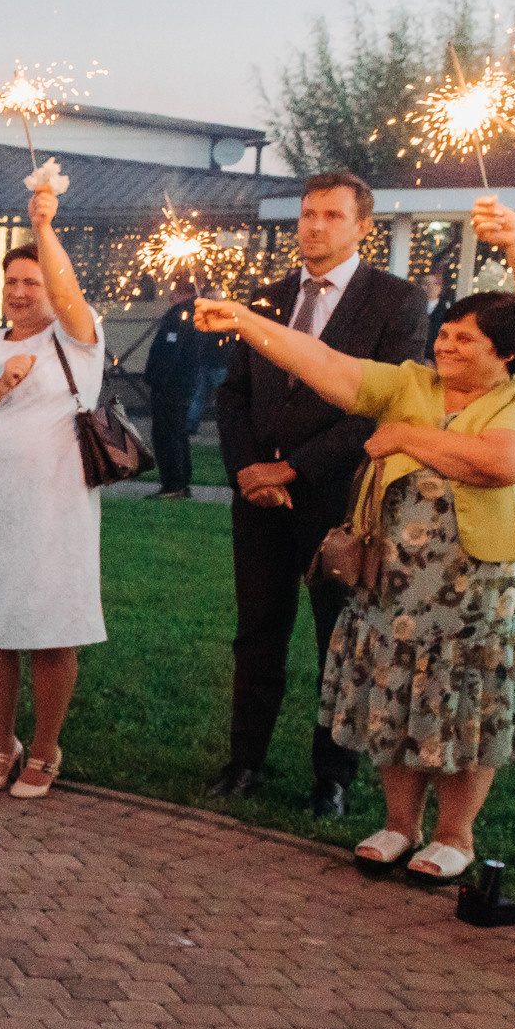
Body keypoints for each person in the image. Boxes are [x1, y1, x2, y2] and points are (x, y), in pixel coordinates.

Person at [194, 289, 515, 879]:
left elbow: (499, 463)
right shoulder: (411, 385)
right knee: (394, 698)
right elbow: (323, 363)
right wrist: (247, 320)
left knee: (461, 706)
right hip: (395, 583)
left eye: (466, 337)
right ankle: (398, 826)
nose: (446, 343)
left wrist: (407, 437)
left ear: (507, 352)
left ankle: (454, 836)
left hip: (474, 592)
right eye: (445, 332)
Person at [206, 171, 423, 817]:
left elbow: (380, 406)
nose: (314, 226)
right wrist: (248, 466)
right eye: (307, 214)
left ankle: (332, 775)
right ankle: (245, 760)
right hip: (258, 499)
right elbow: (232, 391)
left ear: (363, 227)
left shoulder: (395, 301)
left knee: (340, 636)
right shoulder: (266, 299)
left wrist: (293, 468)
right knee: (258, 631)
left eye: (331, 215)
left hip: (338, 498)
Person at [0, 188, 105, 800]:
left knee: (52, 624)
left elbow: (68, 295)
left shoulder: (79, 336)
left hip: (58, 506)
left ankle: (44, 748)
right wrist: (1, 387)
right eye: (12, 280)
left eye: (32, 281)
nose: (19, 291)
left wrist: (44, 225)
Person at [143, 277, 226, 500]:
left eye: (174, 290)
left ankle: (173, 483)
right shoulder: (195, 312)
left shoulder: (181, 314)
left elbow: (172, 349)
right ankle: (180, 481)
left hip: (172, 383)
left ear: (181, 291)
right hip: (184, 381)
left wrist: (160, 377)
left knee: (166, 434)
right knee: (178, 432)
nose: (170, 295)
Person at [418, 269, 447, 357]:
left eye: (435, 284)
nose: (430, 287)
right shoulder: (412, 309)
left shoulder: (447, 311)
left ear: (440, 287)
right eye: (426, 284)